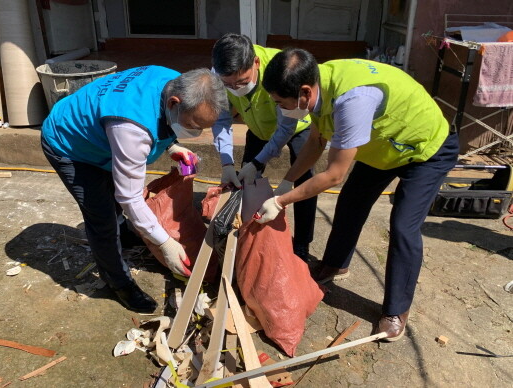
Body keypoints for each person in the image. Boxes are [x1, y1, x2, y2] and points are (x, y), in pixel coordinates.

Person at [255, 49, 459, 341]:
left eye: (280, 102)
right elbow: (316, 140)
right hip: (383, 148)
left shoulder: (353, 101)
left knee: (403, 225)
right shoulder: (318, 82)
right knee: (351, 202)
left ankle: (395, 311)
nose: (279, 108)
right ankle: (335, 264)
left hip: (425, 148)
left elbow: (334, 174)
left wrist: (280, 201)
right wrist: (287, 182)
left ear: (303, 92)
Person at [41, 66, 228, 313]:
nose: (197, 132)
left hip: (103, 134)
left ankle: (125, 233)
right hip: (69, 144)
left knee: (115, 195)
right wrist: (165, 243)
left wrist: (172, 146)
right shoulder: (131, 130)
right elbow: (129, 197)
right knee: (102, 218)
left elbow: (160, 117)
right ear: (174, 103)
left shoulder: (174, 80)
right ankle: (119, 283)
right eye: (193, 124)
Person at [211, 33, 318, 260]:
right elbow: (221, 120)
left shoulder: (280, 71)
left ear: (256, 63)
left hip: (296, 126)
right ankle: (245, 231)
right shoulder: (218, 77)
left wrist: (260, 161)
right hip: (259, 127)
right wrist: (226, 162)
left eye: (241, 81)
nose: (235, 88)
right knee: (243, 181)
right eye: (228, 84)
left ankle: (301, 244)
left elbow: (285, 129)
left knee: (303, 183)